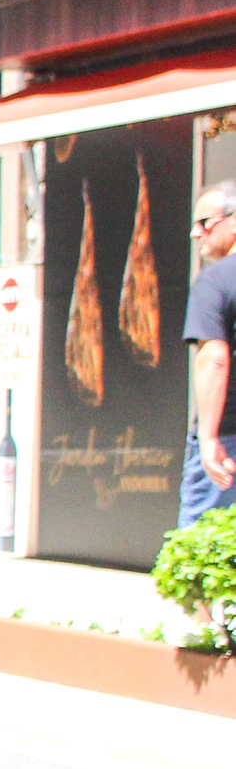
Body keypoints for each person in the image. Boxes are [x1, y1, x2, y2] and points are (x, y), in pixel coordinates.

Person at [183, 180, 236, 527]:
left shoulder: (215, 280)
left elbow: (214, 358)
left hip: (229, 439)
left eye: (204, 223)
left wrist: (208, 438)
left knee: (201, 557)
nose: (194, 232)